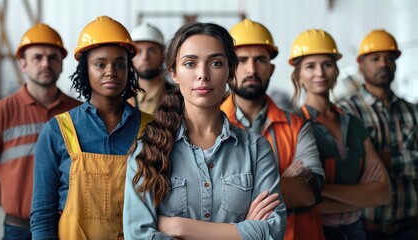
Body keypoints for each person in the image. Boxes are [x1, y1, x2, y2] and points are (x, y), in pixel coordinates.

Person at [123, 22, 286, 239]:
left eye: (216, 63)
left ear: (230, 72)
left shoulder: (256, 149)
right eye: (190, 63)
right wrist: (242, 232)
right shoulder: (147, 150)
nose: (203, 74)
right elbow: (138, 235)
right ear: (174, 74)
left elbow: (272, 231)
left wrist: (180, 227)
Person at [30, 16, 151, 239]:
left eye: (119, 64)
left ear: (129, 70)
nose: (111, 72)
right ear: (85, 69)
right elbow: (43, 215)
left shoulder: (151, 129)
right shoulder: (58, 131)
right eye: (100, 64)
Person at [220, 18, 325, 240]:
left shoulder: (297, 126)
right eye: (242, 60)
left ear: (271, 68)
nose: (251, 68)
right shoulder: (210, 124)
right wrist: (283, 180)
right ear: (229, 67)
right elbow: (205, 196)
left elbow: (311, 191)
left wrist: (236, 190)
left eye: (260, 60)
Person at [290, 29, 391, 240]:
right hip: (316, 231)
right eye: (310, 66)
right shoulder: (293, 125)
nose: (320, 73)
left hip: (356, 231)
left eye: (327, 64)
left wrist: (320, 190)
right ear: (298, 75)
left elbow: (383, 193)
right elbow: (298, 199)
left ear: (336, 71)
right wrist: (362, 194)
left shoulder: (353, 122)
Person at [0, 23, 81, 239]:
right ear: (23, 64)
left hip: (68, 227)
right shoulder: (0, 113)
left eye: (52, 58)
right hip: (18, 228)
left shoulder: (78, 112)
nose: (45, 64)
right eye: (37, 57)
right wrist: (7, 199)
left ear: (61, 64)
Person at [337, 29, 418, 240]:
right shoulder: (345, 111)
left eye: (389, 58)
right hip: (365, 228)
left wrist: (387, 159)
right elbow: (350, 166)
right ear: (361, 65)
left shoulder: (413, 111)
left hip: (411, 226)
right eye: (375, 58)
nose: (383, 64)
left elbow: (368, 163)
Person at [127, 22, 175, 114]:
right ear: (131, 57)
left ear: (163, 55)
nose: (145, 57)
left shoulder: (178, 97)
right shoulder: (122, 98)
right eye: (139, 51)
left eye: (151, 51)